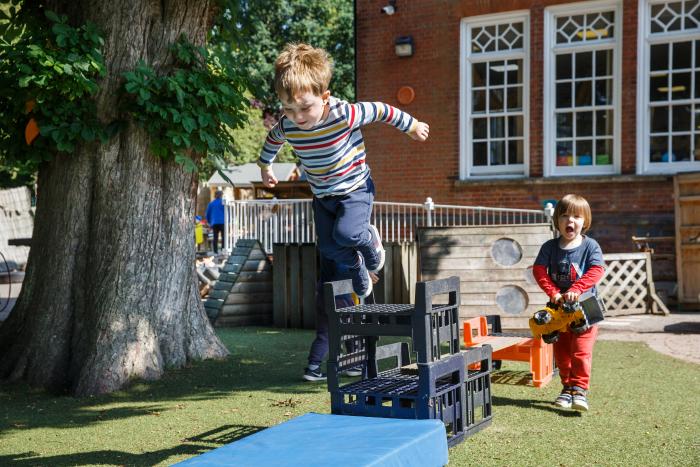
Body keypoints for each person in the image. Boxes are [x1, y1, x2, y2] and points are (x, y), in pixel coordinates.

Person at [258, 42, 429, 298]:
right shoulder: (287, 125)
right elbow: (273, 140)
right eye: (288, 109)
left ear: (324, 97)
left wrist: (412, 126)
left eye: (305, 108)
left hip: (355, 189)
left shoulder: (344, 114)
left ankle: (369, 239)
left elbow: (382, 110)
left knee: (346, 234)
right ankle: (356, 265)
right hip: (322, 194)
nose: (298, 117)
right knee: (328, 246)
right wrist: (265, 165)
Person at [532, 194, 605, 412]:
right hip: (557, 309)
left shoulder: (591, 246)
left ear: (585, 221)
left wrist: (576, 289)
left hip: (587, 308)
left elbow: (596, 270)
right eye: (564, 216)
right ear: (557, 220)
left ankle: (580, 390)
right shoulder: (549, 247)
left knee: (581, 352)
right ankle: (566, 388)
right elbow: (539, 271)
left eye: (576, 216)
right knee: (562, 353)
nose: (570, 221)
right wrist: (553, 292)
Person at [304, 255, 379, 382]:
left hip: (323, 294)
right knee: (351, 329)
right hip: (339, 295)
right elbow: (342, 271)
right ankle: (353, 365)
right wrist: (365, 274)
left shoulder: (328, 247)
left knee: (325, 334)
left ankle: (313, 368)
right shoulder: (341, 248)